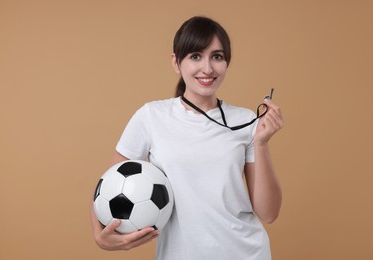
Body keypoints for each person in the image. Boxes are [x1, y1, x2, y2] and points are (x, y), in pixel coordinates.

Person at [90, 16, 284, 260]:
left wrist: (262, 143)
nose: (207, 68)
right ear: (176, 62)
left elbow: (269, 213)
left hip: (245, 253)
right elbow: (108, 184)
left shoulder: (245, 120)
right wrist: (100, 236)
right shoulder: (151, 116)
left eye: (217, 56)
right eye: (195, 56)